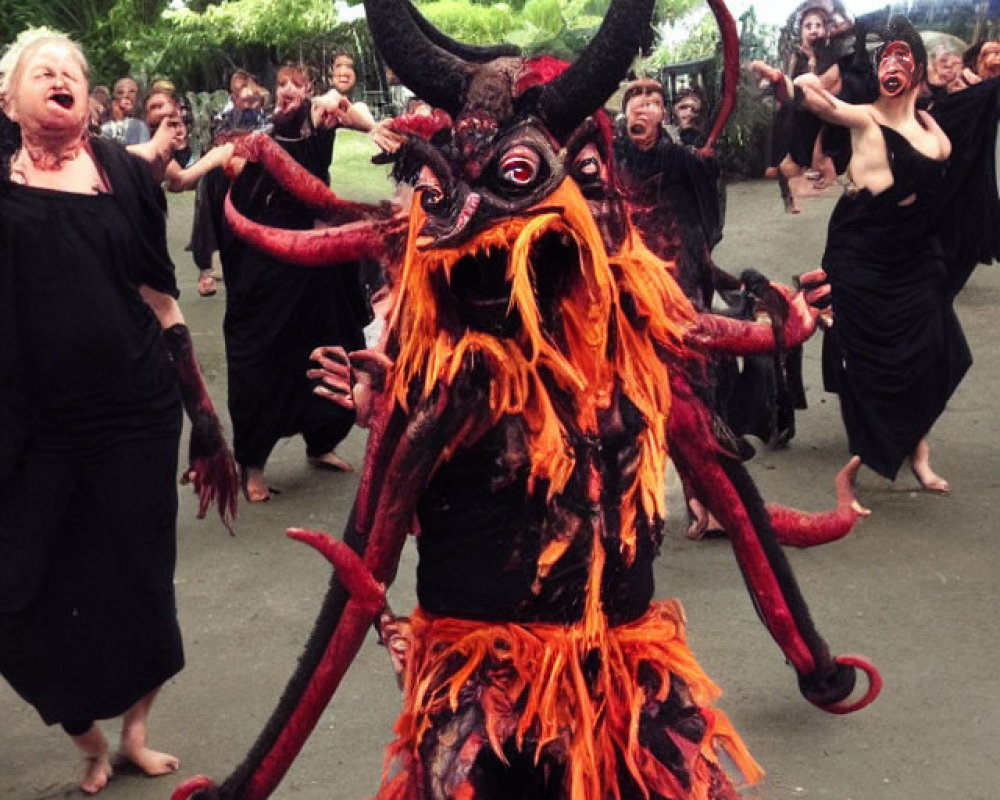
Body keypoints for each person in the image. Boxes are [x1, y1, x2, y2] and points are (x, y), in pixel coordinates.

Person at [0, 31, 236, 795]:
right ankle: (85, 736)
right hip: (30, 426)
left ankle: (131, 735)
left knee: (138, 579)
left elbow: (162, 300)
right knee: (19, 589)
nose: (62, 78)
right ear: (8, 99)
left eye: (73, 71)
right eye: (43, 71)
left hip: (133, 414)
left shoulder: (124, 180)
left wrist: (203, 415)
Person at [794, 16, 998, 495]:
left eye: (904, 58)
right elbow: (816, 99)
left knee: (940, 348)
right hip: (861, 251)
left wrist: (973, 86)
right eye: (887, 58)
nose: (894, 66)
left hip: (912, 256)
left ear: (919, 69)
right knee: (867, 356)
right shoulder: (865, 116)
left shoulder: (936, 130)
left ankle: (919, 454)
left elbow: (956, 174)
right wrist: (802, 75)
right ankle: (869, 453)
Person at [219, 63, 394, 502]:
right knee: (265, 359)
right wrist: (183, 175)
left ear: (309, 91)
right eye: (281, 83)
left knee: (336, 346)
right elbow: (217, 163)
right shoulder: (261, 137)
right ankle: (252, 466)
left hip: (321, 266)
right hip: (271, 268)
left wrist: (376, 128)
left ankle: (322, 444)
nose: (287, 90)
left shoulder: (319, 116)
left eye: (296, 84)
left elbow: (341, 106)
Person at [100, 76, 150, 145]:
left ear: (138, 96)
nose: (125, 95)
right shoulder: (104, 124)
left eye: (132, 91)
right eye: (120, 92)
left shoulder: (144, 122)